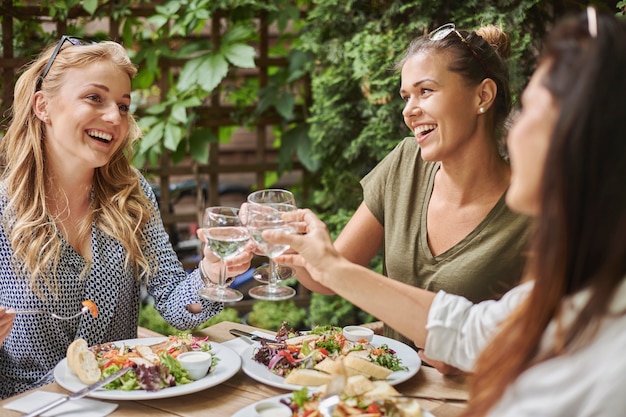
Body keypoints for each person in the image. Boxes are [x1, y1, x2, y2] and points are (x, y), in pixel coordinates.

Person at [266, 7, 626, 416]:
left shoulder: (607, 354)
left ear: (483, 97)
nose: (517, 128)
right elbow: (468, 329)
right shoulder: (586, 289)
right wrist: (320, 260)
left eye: (533, 111)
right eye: (406, 95)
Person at [0, 37, 252, 399]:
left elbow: (176, 306)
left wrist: (212, 272)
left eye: (123, 105)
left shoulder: (131, 196)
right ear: (43, 106)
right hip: (27, 404)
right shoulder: (3, 208)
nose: (114, 117)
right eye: (94, 98)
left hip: (119, 398)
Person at [287, 22, 530, 355]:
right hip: (388, 394)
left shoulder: (532, 207)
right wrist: (295, 247)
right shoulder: (405, 164)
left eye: (425, 91)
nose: (409, 111)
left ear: (482, 96)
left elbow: (536, 344)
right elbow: (326, 278)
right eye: (406, 96)